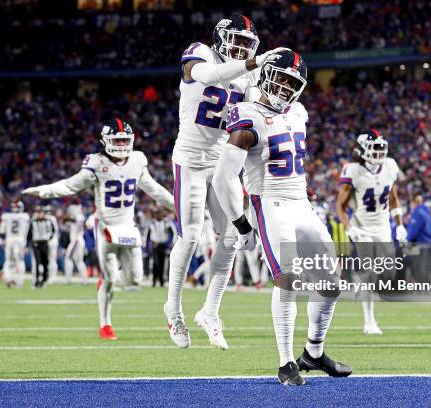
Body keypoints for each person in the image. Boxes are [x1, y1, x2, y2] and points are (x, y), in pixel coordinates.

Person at [213, 49, 351, 385]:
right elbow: (222, 178)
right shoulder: (247, 114)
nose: (286, 87)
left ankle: (313, 354)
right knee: (288, 280)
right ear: (266, 73)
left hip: (301, 202)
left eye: (294, 82)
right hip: (270, 204)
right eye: (282, 78)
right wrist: (240, 223)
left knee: (330, 285)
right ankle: (286, 361)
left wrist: (303, 186)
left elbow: (290, 157)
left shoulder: (299, 112)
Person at [164, 13, 286, 350]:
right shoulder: (199, 53)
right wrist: (255, 61)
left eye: (249, 44)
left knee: (233, 236)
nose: (243, 49)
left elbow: (260, 112)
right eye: (239, 42)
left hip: (222, 161)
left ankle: (210, 311)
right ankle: (173, 309)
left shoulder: (250, 76)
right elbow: (211, 74)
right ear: (221, 38)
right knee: (189, 237)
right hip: (189, 158)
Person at [23, 118, 174, 340]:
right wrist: (44, 191)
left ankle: (109, 279)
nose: (122, 145)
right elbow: (69, 184)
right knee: (110, 277)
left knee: (136, 279)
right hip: (105, 227)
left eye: (125, 140)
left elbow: (156, 190)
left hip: (128, 227)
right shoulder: (96, 163)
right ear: (106, 141)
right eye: (117, 140)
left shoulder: (138, 160)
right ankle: (105, 324)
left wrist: (177, 207)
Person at [335, 129, 407, 335]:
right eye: (374, 148)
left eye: (380, 147)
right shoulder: (353, 170)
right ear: (362, 150)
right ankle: (369, 321)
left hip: (383, 226)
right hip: (362, 227)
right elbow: (340, 205)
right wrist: (350, 228)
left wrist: (400, 223)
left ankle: (358, 280)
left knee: (388, 271)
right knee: (370, 271)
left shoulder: (390, 166)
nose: (379, 152)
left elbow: (393, 198)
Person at [0, 201, 30, 287]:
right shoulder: (25, 216)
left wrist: (2, 240)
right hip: (20, 240)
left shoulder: (6, 216)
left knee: (8, 261)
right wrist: (26, 244)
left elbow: (1, 231)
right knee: (20, 261)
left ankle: (8, 278)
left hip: (9, 240)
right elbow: (26, 231)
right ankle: (19, 281)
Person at [406, 195, 431, 283]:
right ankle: (430, 285)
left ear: (415, 202)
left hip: (419, 243)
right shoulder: (426, 212)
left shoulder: (418, 212)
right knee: (425, 265)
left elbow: (414, 230)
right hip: (426, 241)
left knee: (419, 265)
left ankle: (423, 287)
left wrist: (408, 239)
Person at [27, 206, 55, 288]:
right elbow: (29, 234)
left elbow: (53, 231)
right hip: (36, 243)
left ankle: (45, 279)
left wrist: (49, 238)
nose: (39, 214)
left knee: (45, 262)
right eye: (37, 212)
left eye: (40, 212)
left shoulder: (48, 221)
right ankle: (37, 280)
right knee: (37, 262)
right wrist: (27, 244)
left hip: (45, 243)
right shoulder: (33, 222)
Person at [148, 207, 175, 287]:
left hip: (163, 245)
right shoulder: (152, 222)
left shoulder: (167, 222)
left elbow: (174, 232)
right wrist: (147, 244)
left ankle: (161, 281)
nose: (158, 215)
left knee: (162, 264)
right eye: (156, 213)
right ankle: (154, 281)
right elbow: (147, 234)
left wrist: (172, 243)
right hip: (154, 245)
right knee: (155, 263)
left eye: (159, 213)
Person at [63, 204, 87, 285]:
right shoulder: (78, 217)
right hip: (78, 241)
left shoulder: (78, 217)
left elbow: (77, 224)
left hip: (76, 241)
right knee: (79, 261)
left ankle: (68, 279)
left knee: (68, 259)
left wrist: (70, 219)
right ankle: (84, 280)